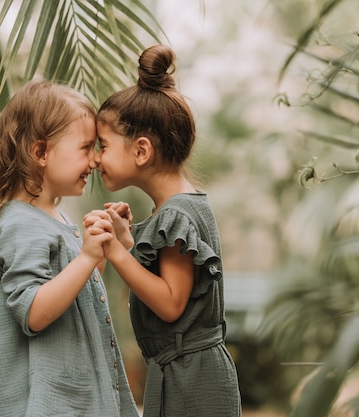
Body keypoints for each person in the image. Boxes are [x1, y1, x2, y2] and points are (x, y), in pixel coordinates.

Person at [84, 44, 242, 417]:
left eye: (102, 145)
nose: (95, 158)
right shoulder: (172, 212)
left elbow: (171, 304)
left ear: (141, 151)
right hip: (184, 374)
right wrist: (127, 239)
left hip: (195, 384)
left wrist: (116, 253)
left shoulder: (177, 214)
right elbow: (164, 282)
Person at [0, 80, 140, 417]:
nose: (95, 160)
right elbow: (34, 313)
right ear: (40, 153)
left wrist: (110, 246)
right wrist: (86, 256)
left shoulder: (52, 216)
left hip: (72, 399)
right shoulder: (20, 224)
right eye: (85, 147)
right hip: (45, 404)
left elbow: (74, 295)